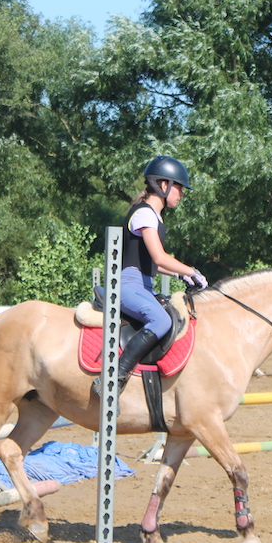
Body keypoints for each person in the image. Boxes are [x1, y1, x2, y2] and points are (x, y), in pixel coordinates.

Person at [94, 155, 208, 396]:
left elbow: (151, 263)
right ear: (164, 185)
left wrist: (180, 276)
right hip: (128, 284)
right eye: (179, 187)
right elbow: (159, 258)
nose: (182, 193)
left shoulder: (153, 216)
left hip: (142, 285)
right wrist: (192, 271)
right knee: (161, 321)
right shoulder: (145, 214)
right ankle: (114, 377)